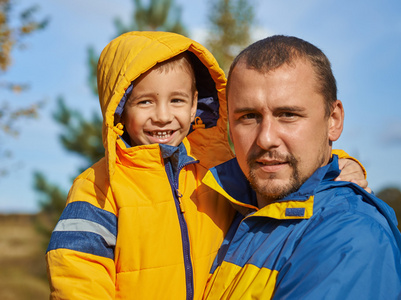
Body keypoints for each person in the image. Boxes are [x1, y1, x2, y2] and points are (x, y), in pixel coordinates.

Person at [45, 31, 368, 299]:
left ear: (196, 105)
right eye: (145, 102)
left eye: (177, 100)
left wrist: (343, 163)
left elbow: (282, 173)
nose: (162, 115)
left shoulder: (213, 171)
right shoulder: (100, 186)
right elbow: (76, 270)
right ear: (118, 110)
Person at [202, 35, 401, 299]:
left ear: (333, 120)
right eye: (248, 116)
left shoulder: (350, 236)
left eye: (288, 115)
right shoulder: (219, 205)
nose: (266, 138)